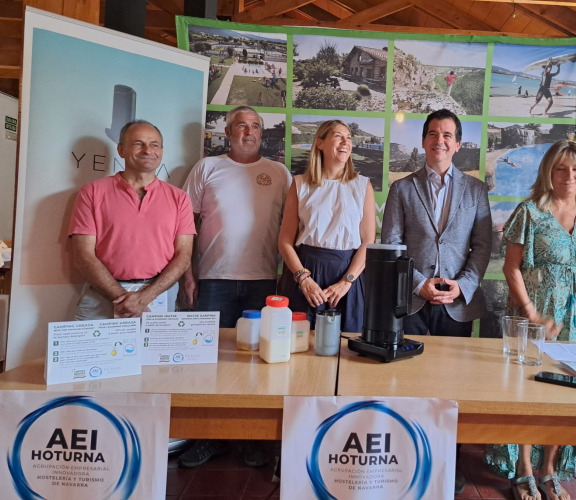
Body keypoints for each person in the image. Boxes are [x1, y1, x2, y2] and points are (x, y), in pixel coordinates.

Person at [485, 140, 576, 500]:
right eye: (560, 168)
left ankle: (549, 469)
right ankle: (523, 467)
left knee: (566, 393)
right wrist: (530, 313)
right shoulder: (530, 212)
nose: (569, 176)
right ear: (548, 172)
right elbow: (511, 268)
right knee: (527, 390)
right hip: (534, 317)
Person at [381, 109, 491, 496]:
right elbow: (392, 247)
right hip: (412, 303)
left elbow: (482, 246)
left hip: (457, 304)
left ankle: (448, 460)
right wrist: (418, 283)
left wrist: (462, 286)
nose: (439, 140)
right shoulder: (402, 188)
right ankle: (409, 459)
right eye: (432, 134)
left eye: (447, 135)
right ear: (423, 141)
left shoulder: (476, 190)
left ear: (458, 144)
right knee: (410, 383)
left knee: (453, 388)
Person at [179, 106, 291, 468]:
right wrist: (188, 275)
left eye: (255, 126)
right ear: (227, 132)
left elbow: (291, 229)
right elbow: (184, 228)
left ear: (263, 133)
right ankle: (208, 437)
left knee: (256, 362)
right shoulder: (207, 168)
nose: (249, 131)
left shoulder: (279, 173)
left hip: (263, 281)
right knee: (209, 362)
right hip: (214, 280)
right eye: (241, 125)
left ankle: (250, 438)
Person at [69, 120, 195, 320]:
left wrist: (144, 298)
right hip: (103, 295)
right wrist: (124, 298)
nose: (148, 150)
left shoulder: (179, 198)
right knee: (95, 352)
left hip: (157, 296)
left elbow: (183, 256)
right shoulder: (92, 192)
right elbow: (83, 255)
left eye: (154, 145)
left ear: (161, 151)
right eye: (138, 143)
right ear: (121, 150)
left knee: (155, 353)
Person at [277, 120, 375, 333]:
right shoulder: (300, 184)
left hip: (348, 274)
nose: (345, 142)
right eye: (338, 136)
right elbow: (285, 241)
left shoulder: (362, 185)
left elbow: (368, 241)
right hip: (305, 272)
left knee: (347, 348)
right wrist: (303, 279)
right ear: (320, 143)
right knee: (301, 344)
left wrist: (347, 281)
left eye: (349, 138)